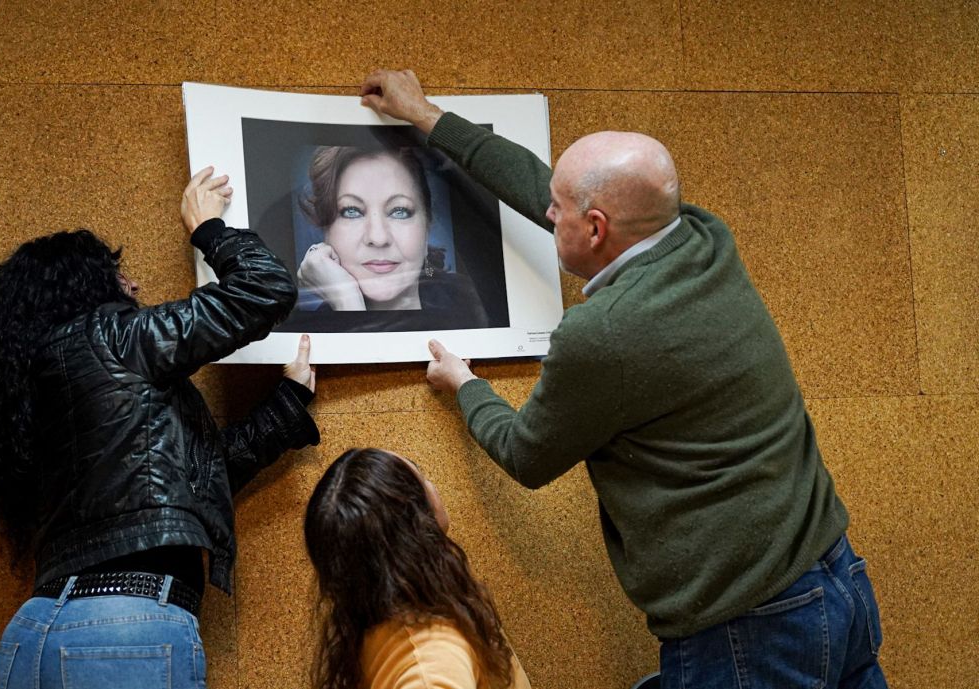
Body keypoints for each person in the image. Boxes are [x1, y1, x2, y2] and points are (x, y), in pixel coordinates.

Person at [359, 69, 887, 689]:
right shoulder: (700, 234)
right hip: (835, 577)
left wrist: (465, 384)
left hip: (750, 626)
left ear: (597, 229)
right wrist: (426, 116)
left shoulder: (604, 332)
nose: (546, 210)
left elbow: (527, 455)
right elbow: (546, 190)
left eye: (560, 212)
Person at [0, 167, 320, 689]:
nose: (133, 285)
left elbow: (184, 482)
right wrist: (209, 230)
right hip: (127, 628)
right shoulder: (111, 338)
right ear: (83, 288)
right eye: (117, 277)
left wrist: (286, 405)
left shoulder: (36, 389)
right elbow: (264, 288)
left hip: (33, 632)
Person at [304, 448, 532, 689]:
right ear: (415, 524)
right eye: (422, 476)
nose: (432, 485)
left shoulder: (376, 620)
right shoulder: (430, 663)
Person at [295, 145, 488, 329]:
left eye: (399, 211)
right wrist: (348, 304)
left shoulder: (475, 308)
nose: (378, 238)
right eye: (352, 211)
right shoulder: (306, 336)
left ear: (427, 223)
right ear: (326, 230)